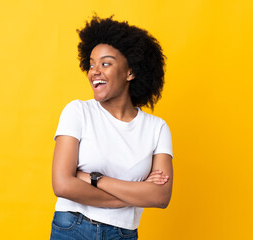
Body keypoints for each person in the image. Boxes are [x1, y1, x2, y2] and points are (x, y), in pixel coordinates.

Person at [51, 15, 173, 240]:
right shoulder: (77, 112)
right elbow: (63, 185)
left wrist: (94, 178)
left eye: (105, 63)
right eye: (91, 64)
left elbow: (160, 196)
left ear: (130, 72)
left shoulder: (157, 129)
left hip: (123, 234)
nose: (94, 71)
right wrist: (135, 195)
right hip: (73, 228)